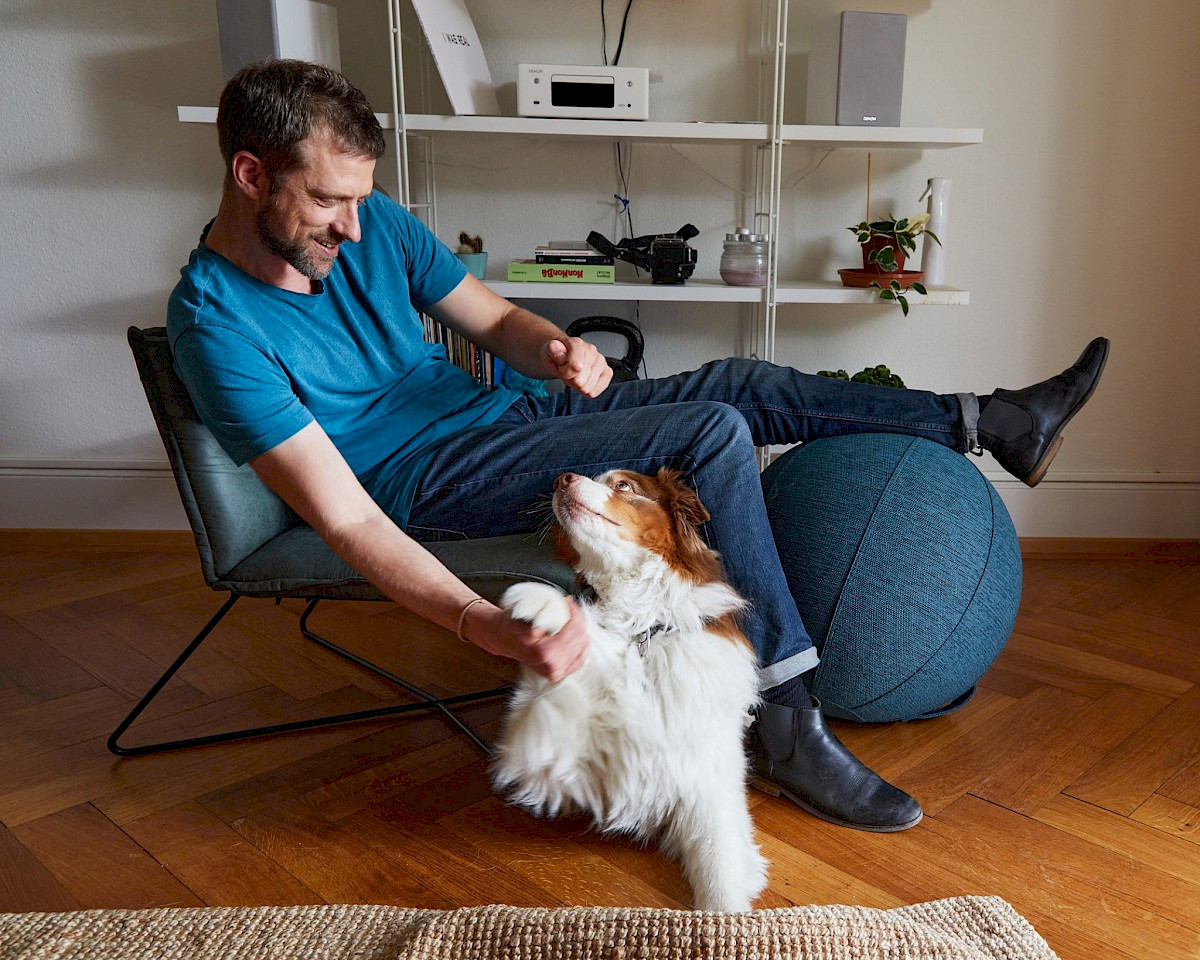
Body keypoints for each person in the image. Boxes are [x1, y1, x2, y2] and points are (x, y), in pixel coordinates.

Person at [167, 60, 1109, 834]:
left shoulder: (372, 227)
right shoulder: (215, 325)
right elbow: (345, 519)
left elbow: (494, 322)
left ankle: (991, 423)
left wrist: (555, 349)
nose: (353, 224)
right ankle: (787, 723)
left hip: (512, 420)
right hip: (424, 482)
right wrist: (477, 621)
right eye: (329, 201)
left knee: (735, 382)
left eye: (360, 199)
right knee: (708, 429)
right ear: (250, 174)